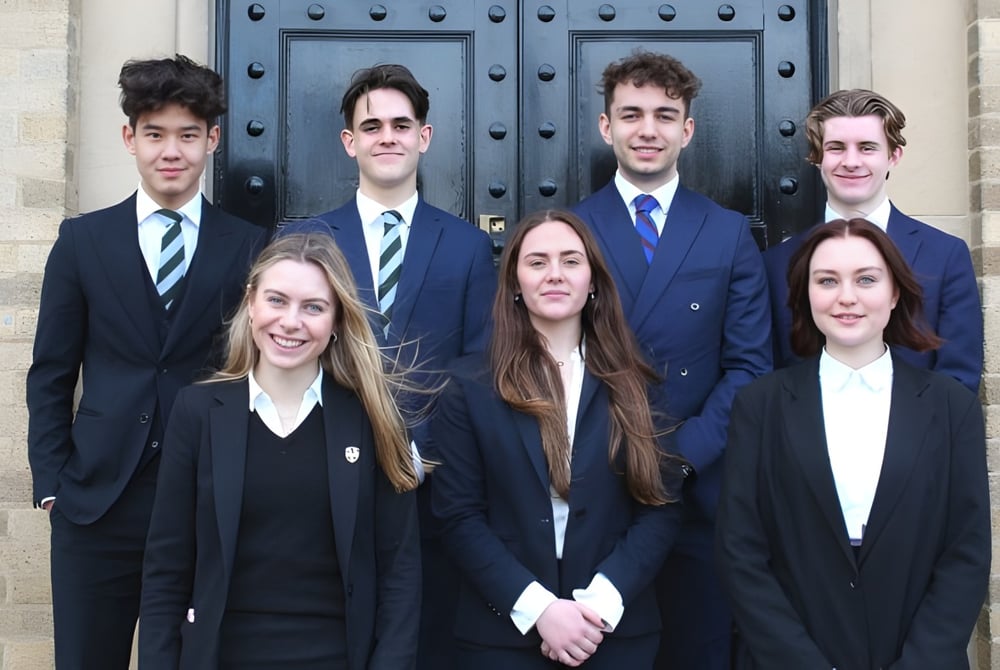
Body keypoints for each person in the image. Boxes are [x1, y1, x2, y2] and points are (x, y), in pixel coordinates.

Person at [24, 54, 264, 669]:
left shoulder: (248, 245)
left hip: (203, 498)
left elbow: (256, 372)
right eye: (155, 134)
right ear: (130, 137)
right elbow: (51, 373)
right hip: (95, 503)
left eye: (188, 135)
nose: (171, 151)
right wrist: (52, 486)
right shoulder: (82, 241)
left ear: (212, 140)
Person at [290, 62, 496, 668]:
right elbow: (287, 359)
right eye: (371, 126)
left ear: (423, 137)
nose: (388, 137)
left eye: (401, 125)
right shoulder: (308, 241)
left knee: (424, 642)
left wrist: (419, 450)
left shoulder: (466, 245)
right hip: (323, 476)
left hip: (433, 483)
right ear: (349, 141)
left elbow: (477, 365)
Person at [572, 50, 772, 669]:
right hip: (593, 480)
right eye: (631, 114)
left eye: (664, 115)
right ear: (606, 126)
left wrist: (680, 457)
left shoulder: (727, 231)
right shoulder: (570, 229)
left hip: (695, 488)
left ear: (687, 130)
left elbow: (749, 366)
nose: (647, 129)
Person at [139, 232, 421, 669]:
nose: (291, 322)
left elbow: (400, 572)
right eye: (277, 300)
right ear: (250, 304)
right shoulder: (197, 412)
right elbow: (166, 568)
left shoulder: (373, 419)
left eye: (313, 307)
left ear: (337, 321)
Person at [717, 218, 990, 669]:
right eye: (827, 280)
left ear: (895, 292)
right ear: (805, 293)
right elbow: (740, 551)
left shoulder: (951, 406)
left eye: (866, 279)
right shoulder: (759, 406)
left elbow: (967, 551)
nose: (847, 296)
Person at [429, 209, 684, 669]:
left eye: (570, 260)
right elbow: (458, 516)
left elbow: (661, 507)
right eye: (537, 262)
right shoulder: (469, 386)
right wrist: (540, 610)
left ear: (592, 281)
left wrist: (598, 606)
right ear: (514, 282)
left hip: (613, 633)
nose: (554, 274)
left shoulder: (637, 382)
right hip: (501, 637)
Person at [764, 88, 983, 393]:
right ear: (817, 157)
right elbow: (768, 379)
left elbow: (959, 379)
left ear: (893, 156)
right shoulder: (776, 263)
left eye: (867, 148)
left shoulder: (946, 255)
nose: (851, 161)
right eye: (836, 148)